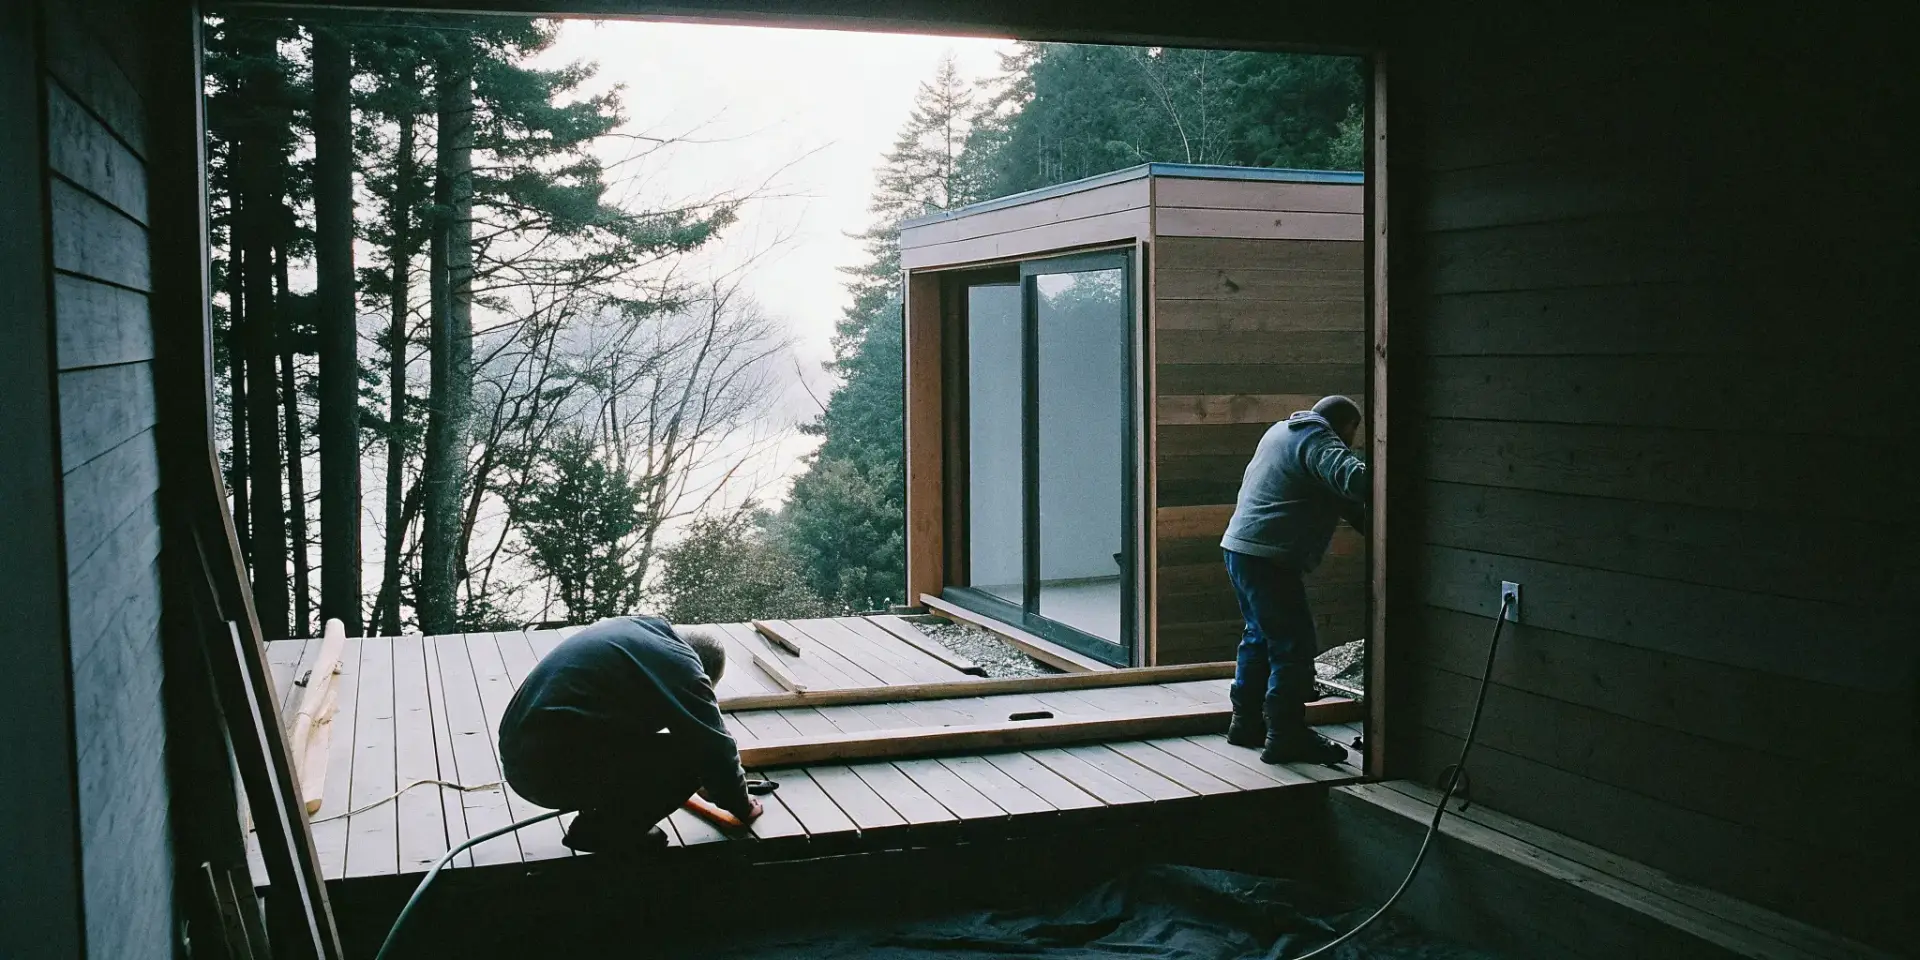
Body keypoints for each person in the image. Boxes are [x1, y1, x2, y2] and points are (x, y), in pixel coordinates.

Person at [497, 615, 762, 852]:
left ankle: (598, 812)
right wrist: (741, 804)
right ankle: (604, 831)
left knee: (624, 735)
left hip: (521, 756)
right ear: (703, 668)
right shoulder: (682, 667)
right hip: (544, 774)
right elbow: (714, 748)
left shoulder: (638, 631)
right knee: (691, 755)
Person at [1219, 395, 1369, 765]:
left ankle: (1246, 721)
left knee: (1259, 636)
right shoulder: (1316, 437)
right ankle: (1286, 735)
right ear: (1345, 426)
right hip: (1268, 556)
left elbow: (1346, 503)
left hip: (1240, 549)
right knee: (1294, 645)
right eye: (1355, 434)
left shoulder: (1282, 433)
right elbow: (1356, 481)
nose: (1353, 443)